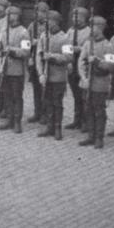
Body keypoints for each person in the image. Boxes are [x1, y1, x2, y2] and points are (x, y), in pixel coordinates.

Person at [77, 16, 114, 149]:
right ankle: (90, 135)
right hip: (88, 83)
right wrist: (83, 78)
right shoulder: (88, 43)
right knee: (88, 110)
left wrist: (97, 61)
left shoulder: (108, 45)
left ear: (100, 28)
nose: (91, 29)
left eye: (93, 27)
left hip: (100, 83)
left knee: (99, 111)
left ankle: (99, 137)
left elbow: (110, 66)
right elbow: (81, 61)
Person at [0, 6, 31, 132]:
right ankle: (9, 119)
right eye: (8, 15)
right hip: (5, 68)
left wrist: (13, 51)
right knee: (7, 95)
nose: (9, 17)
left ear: (17, 16)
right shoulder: (4, 31)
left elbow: (26, 51)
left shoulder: (23, 32)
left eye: (12, 15)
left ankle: (17, 121)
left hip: (17, 69)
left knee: (17, 96)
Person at [36, 11, 68, 140]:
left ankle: (57, 127)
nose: (47, 23)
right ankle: (49, 127)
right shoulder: (43, 36)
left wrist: (53, 57)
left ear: (55, 22)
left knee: (57, 103)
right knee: (47, 102)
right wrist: (40, 74)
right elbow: (38, 56)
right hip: (46, 76)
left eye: (49, 21)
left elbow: (68, 57)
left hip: (58, 76)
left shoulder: (65, 38)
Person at [63, 7, 91, 131]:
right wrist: (67, 59)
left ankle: (86, 121)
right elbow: (65, 45)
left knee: (83, 95)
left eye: (78, 17)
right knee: (75, 95)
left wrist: (77, 49)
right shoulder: (70, 31)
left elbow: (88, 48)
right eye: (74, 17)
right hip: (71, 65)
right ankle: (77, 119)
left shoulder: (89, 31)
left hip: (83, 66)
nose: (75, 19)